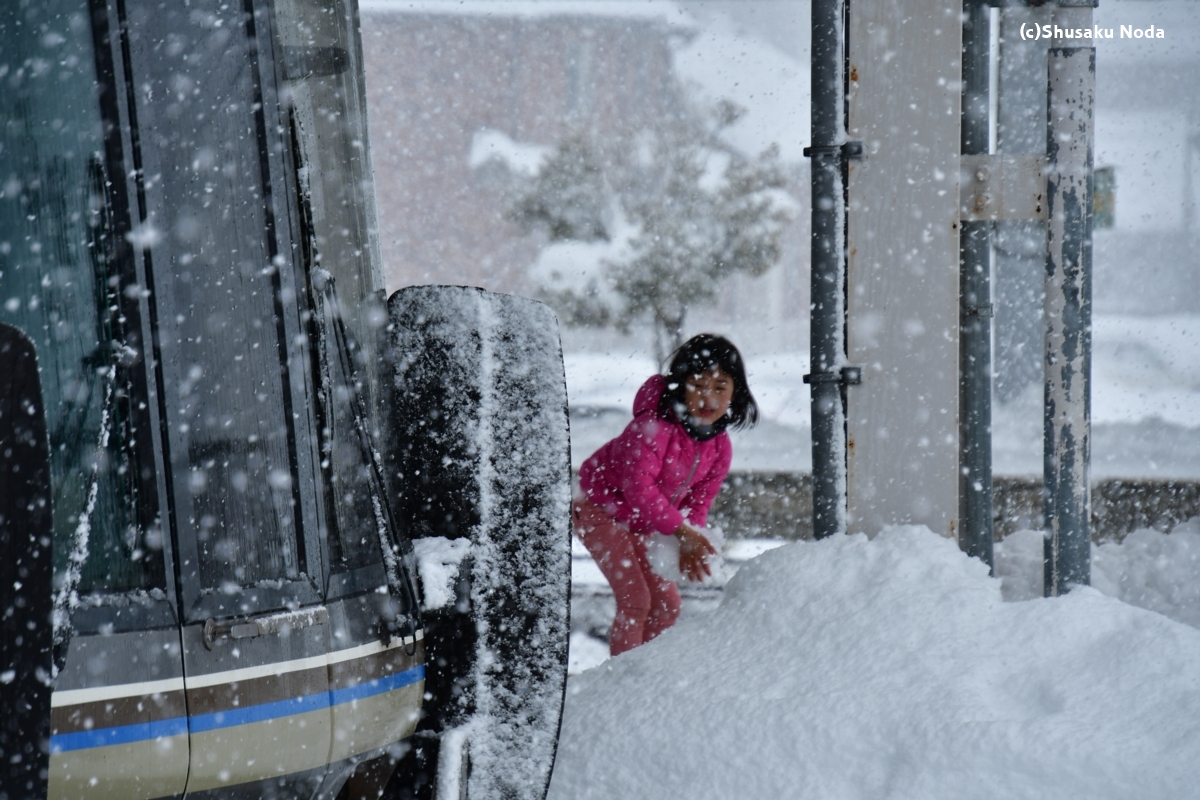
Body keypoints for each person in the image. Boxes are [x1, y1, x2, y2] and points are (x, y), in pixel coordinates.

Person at [573, 334, 758, 655]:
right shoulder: (652, 429)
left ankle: (652, 675)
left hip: (644, 521)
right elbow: (638, 489)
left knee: (668, 604)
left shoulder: (719, 446)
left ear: (734, 393)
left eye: (719, 388)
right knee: (636, 601)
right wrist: (680, 532)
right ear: (679, 387)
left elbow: (699, 500)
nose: (707, 398)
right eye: (698, 386)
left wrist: (688, 539)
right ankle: (624, 681)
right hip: (597, 509)